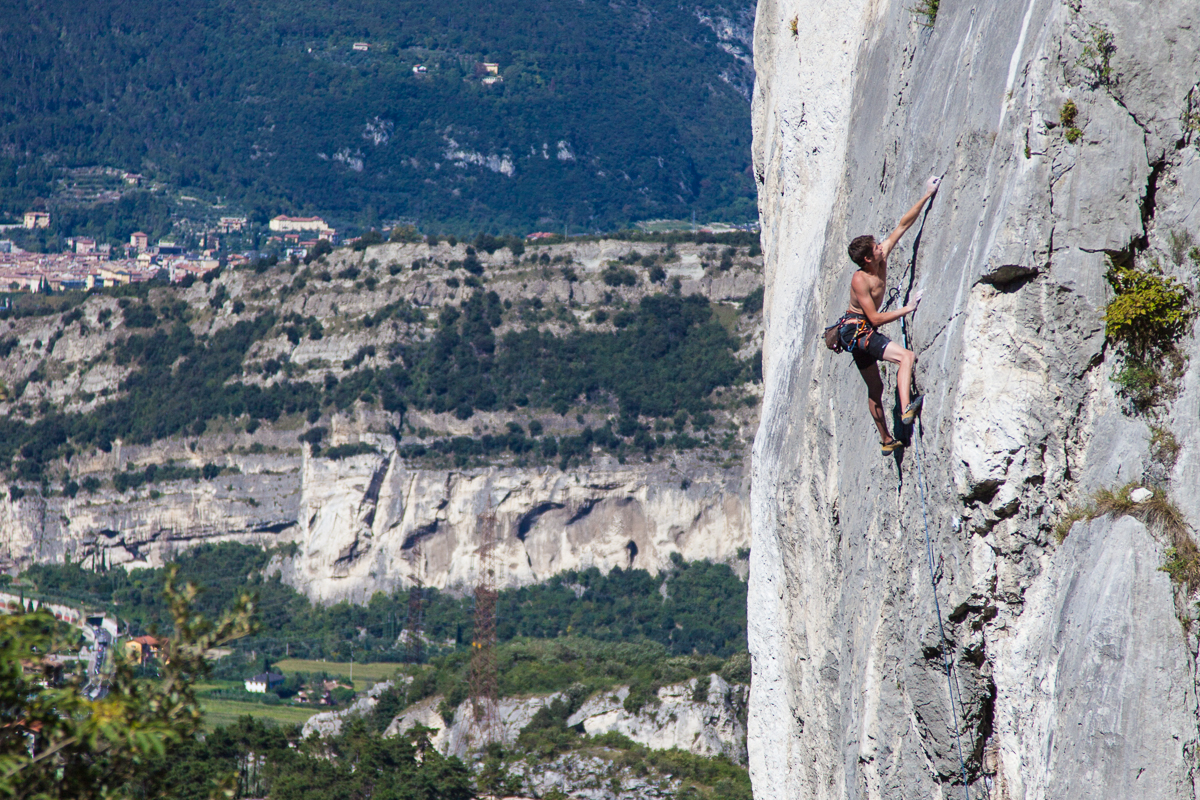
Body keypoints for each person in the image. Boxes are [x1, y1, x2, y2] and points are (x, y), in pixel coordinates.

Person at [842, 176, 940, 454]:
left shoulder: (879, 256)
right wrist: (907, 309)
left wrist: (927, 194)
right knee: (905, 357)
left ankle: (887, 441)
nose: (881, 247)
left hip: (858, 334)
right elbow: (873, 320)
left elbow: (903, 225)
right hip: (859, 332)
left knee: (876, 388)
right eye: (876, 248)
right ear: (867, 260)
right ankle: (906, 409)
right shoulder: (860, 280)